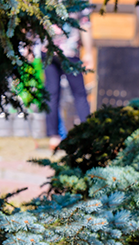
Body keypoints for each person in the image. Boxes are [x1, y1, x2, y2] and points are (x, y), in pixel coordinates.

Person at [44, 6, 94, 150]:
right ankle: (87, 134)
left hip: (48, 49)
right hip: (70, 51)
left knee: (52, 93)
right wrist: (89, 52)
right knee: (79, 94)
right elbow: (85, 24)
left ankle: (54, 137)